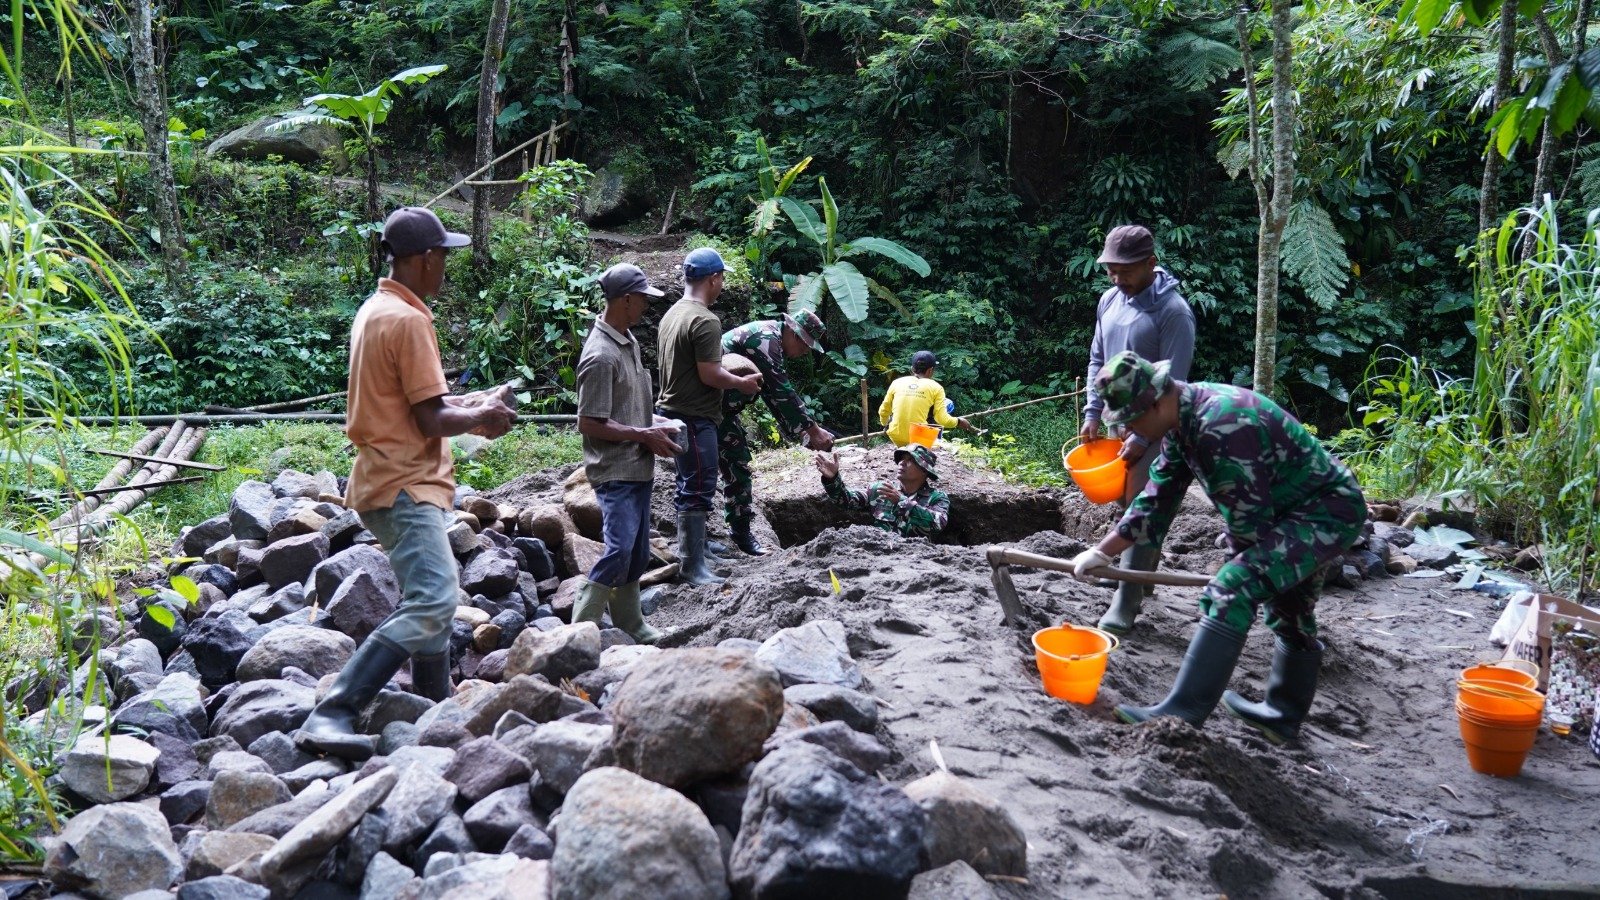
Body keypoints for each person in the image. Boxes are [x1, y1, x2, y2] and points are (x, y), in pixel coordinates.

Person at [296, 207, 517, 760]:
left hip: (383, 477)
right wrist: (482, 419)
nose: (446, 268)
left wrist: (471, 402)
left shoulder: (377, 310)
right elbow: (430, 421)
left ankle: (432, 710)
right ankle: (333, 712)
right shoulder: (410, 321)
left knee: (431, 602)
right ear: (425, 260)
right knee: (435, 599)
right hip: (406, 485)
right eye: (444, 257)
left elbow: (418, 403)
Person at [1069, 352, 1365, 745]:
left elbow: (1249, 528)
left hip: (1325, 514)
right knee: (1289, 607)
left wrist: (1234, 575)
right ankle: (1281, 717)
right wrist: (1103, 551)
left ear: (1156, 402)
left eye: (1131, 420)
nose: (1127, 432)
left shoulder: (1221, 425)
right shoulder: (1180, 423)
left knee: (1233, 588)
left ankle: (1182, 713)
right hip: (1288, 513)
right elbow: (1155, 501)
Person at [1078, 224, 1196, 637]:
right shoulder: (1110, 299)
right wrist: (1094, 412)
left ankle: (1127, 598)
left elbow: (1172, 383)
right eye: (1110, 270)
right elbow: (1097, 358)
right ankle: (1138, 577)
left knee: (1145, 500)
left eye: (1124, 271)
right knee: (1129, 499)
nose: (1116, 279)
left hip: (1159, 424)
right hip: (1118, 416)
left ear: (1150, 263)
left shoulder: (1174, 312)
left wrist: (1145, 436)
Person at [572, 263, 683, 644]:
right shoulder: (601, 355)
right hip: (614, 470)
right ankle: (578, 630)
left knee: (636, 554)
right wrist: (643, 434)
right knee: (618, 549)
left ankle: (630, 623)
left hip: (638, 467)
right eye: (643, 301)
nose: (646, 308)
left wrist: (656, 424)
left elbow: (625, 407)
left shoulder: (628, 341)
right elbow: (589, 422)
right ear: (626, 300)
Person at [655, 247, 762, 585]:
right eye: (722, 279)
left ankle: (698, 550)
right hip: (694, 415)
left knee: (688, 482)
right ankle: (692, 566)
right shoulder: (705, 320)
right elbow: (710, 374)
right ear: (714, 279)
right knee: (699, 487)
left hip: (670, 411)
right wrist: (741, 383)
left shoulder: (673, 313)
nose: (722, 284)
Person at [718, 310, 835, 555]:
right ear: (792, 331)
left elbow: (771, 396)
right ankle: (735, 535)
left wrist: (805, 433)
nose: (805, 351)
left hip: (720, 410)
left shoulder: (771, 338)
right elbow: (781, 392)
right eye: (804, 343)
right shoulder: (765, 339)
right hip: (707, 408)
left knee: (736, 462)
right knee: (729, 464)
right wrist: (812, 430)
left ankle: (738, 533)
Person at [813, 445, 949, 538]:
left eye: (910, 460)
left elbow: (938, 523)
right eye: (902, 459)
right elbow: (846, 500)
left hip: (916, 565)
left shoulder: (937, 498)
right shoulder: (881, 489)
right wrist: (832, 479)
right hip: (878, 560)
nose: (902, 463)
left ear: (924, 470)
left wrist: (902, 502)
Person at [879, 351, 977, 447]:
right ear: (931, 370)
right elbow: (942, 420)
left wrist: (885, 424)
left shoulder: (897, 382)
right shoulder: (936, 387)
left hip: (896, 436)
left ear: (912, 369)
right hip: (919, 439)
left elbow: (883, 411)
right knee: (948, 404)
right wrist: (959, 421)